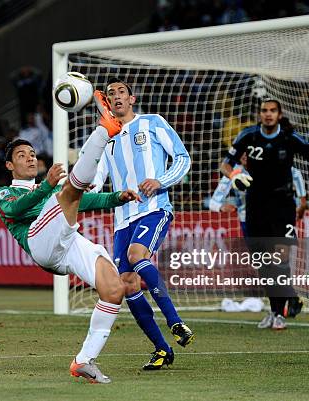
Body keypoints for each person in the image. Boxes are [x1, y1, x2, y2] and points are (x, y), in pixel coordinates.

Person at [0, 98, 139, 384]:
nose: (30, 158)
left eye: (33, 153)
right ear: (10, 165)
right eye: (22, 155)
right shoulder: (4, 193)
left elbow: (81, 199)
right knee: (66, 192)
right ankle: (102, 131)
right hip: (40, 245)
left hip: (67, 242)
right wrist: (48, 186)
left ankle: (84, 360)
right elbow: (15, 210)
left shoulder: (52, 191)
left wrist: (114, 197)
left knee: (113, 288)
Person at [92, 78, 194, 370]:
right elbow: (96, 180)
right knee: (126, 283)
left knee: (138, 255)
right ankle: (162, 349)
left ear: (132, 98)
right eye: (110, 94)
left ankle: (175, 322)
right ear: (107, 103)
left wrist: (160, 181)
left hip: (153, 208)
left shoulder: (152, 123)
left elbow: (183, 159)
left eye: (121, 92)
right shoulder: (106, 138)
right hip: (122, 220)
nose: (116, 97)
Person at [220, 99, 309, 330]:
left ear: (279, 114)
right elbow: (225, 164)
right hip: (256, 207)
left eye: (272, 111)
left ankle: (280, 311)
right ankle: (278, 306)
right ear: (260, 114)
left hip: (282, 206)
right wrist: (235, 174)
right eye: (264, 110)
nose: (268, 114)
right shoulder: (248, 136)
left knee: (280, 258)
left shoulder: (289, 138)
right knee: (264, 264)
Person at [210, 153, 307, 236]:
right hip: (249, 221)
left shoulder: (268, 165)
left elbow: (296, 174)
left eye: (247, 151)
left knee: (283, 253)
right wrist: (221, 207)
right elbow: (213, 202)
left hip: (275, 215)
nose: (244, 155)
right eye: (242, 152)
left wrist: (302, 202)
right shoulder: (234, 173)